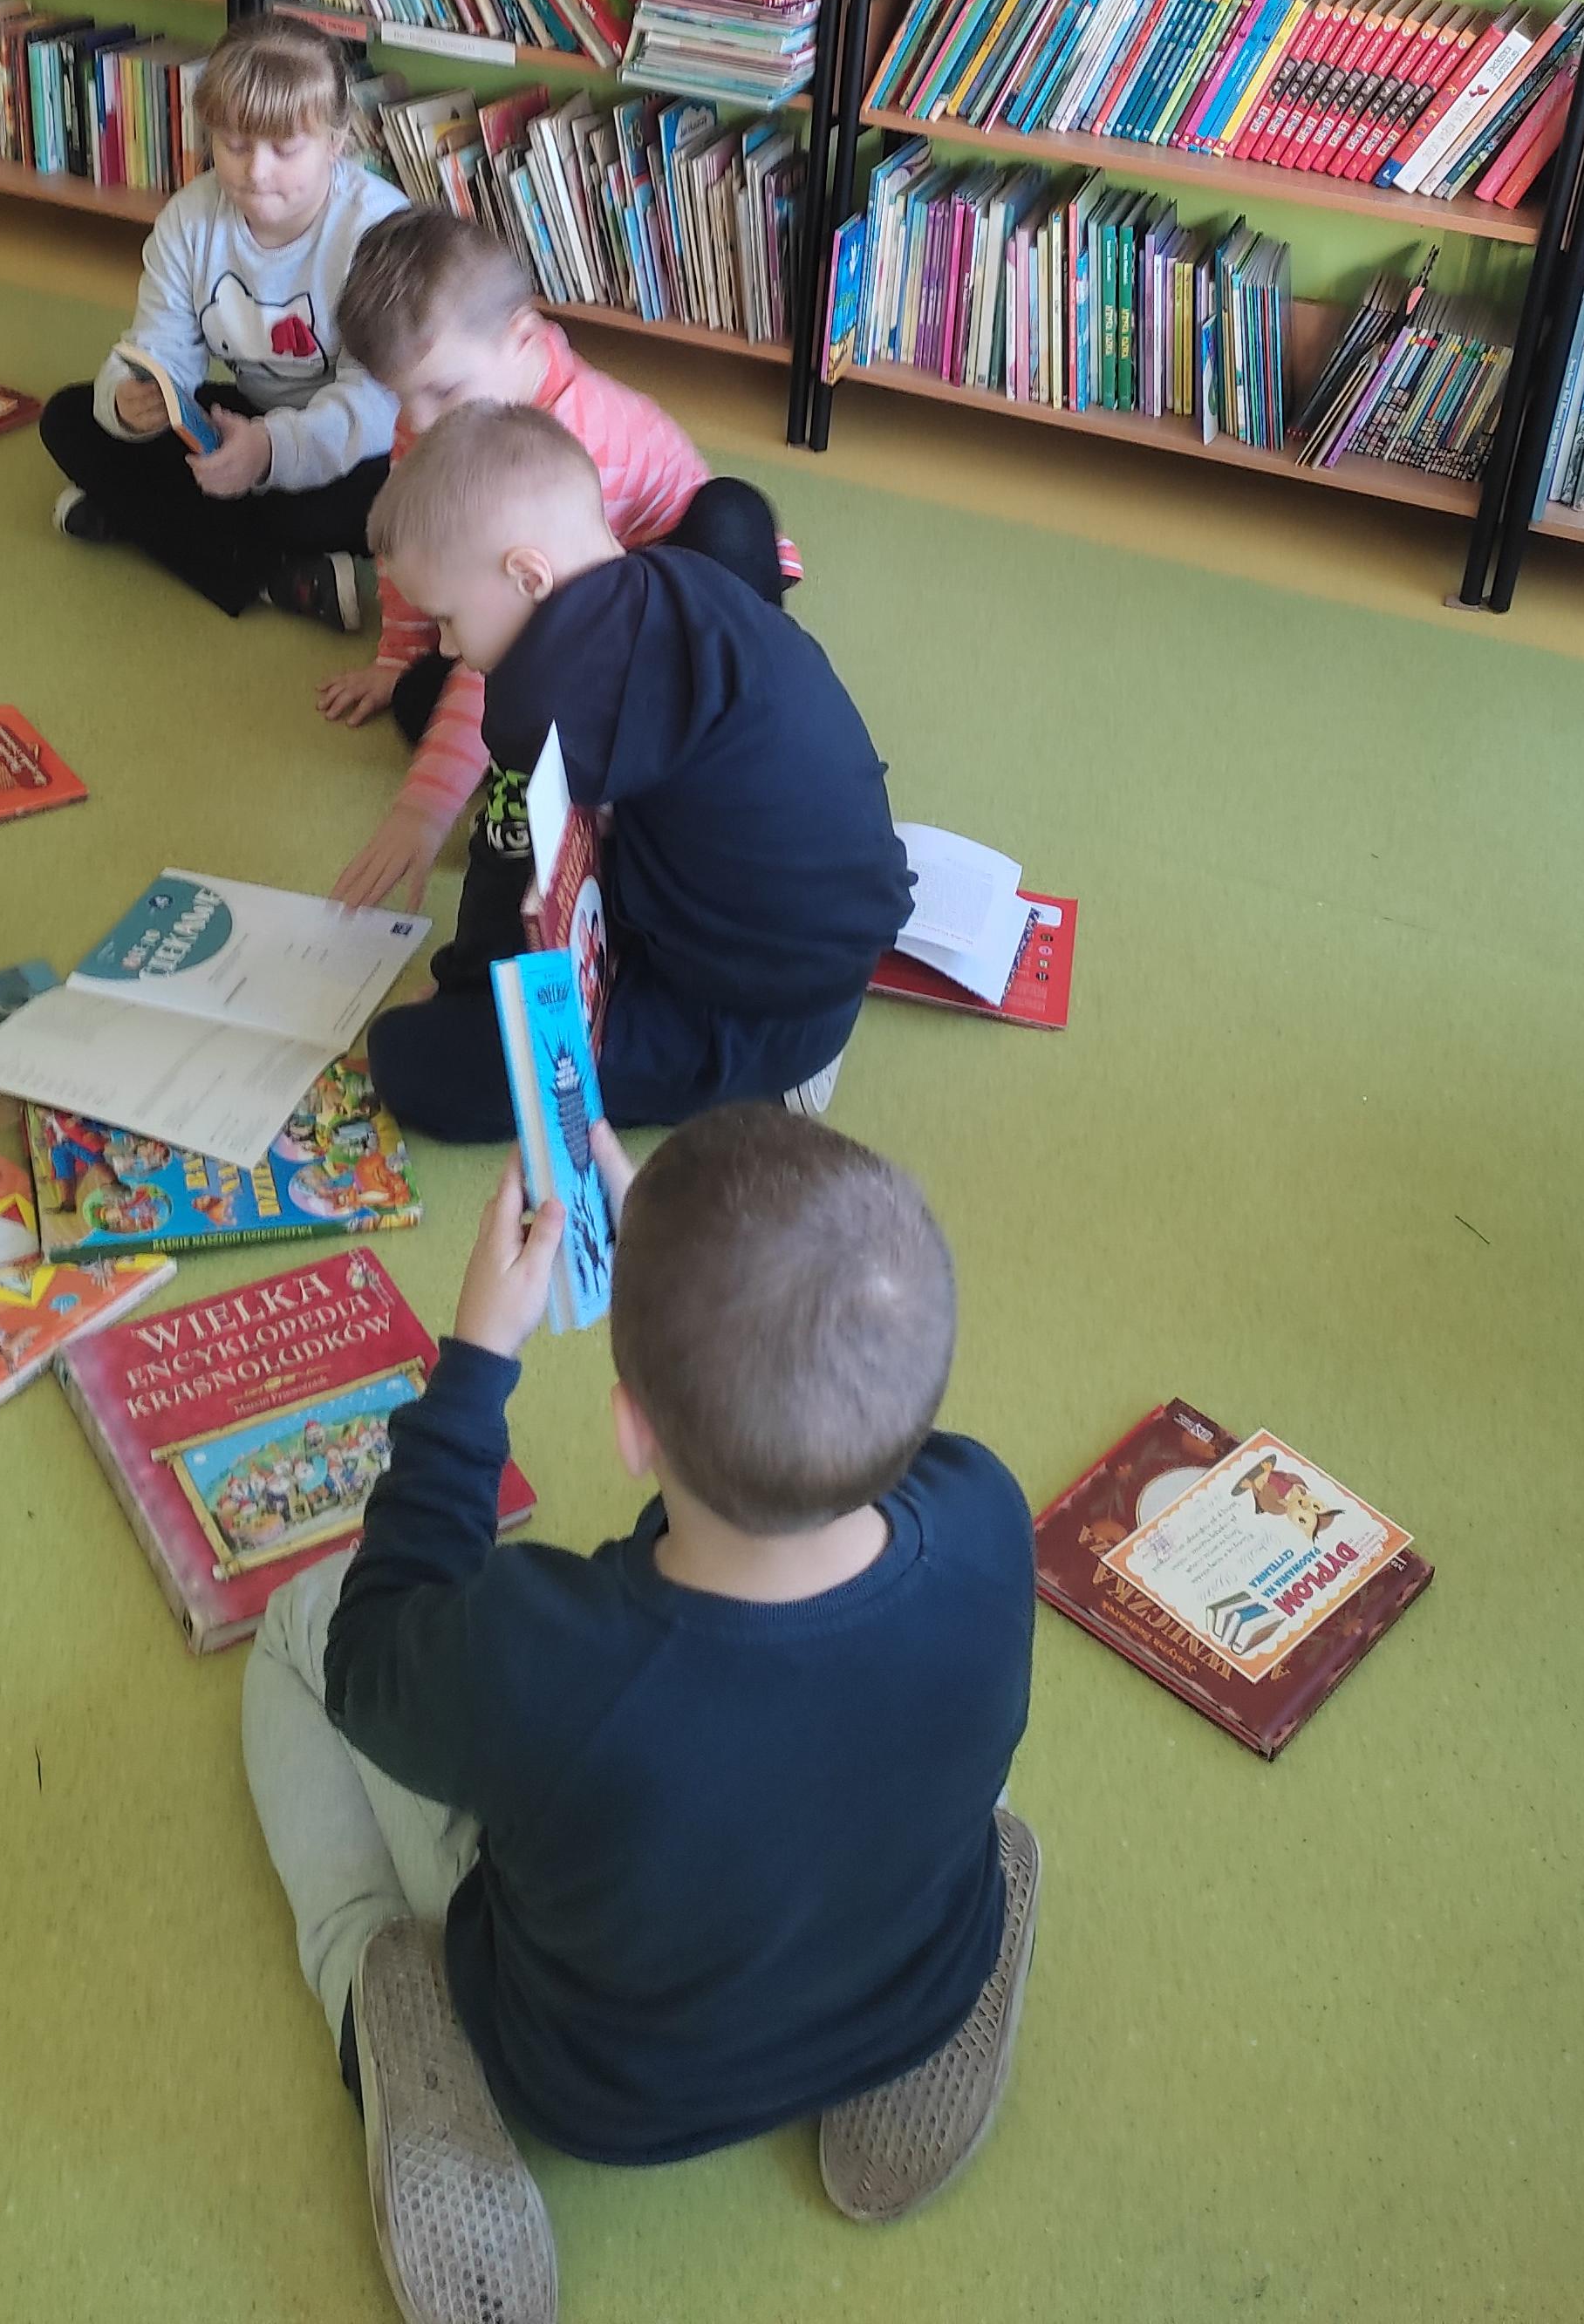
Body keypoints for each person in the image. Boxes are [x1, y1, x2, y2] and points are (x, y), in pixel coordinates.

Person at [242, 1107, 1039, 2324]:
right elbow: (831, 1409)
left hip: (596, 2088)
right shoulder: (985, 1511)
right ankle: (918, 2004)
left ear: (628, 1429)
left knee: (297, 1632)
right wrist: (694, 1258)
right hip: (908, 1968)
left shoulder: (539, 1653)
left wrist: (476, 1364)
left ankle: (371, 1979)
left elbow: (371, 1651)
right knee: (936, 1731)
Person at [360, 402, 913, 1142]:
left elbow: (508, 859)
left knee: (411, 1060)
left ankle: (765, 1082)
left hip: (760, 1016)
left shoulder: (543, 699)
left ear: (527, 574)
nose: (450, 650)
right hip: (815, 934)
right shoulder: (672, 575)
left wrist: (467, 985)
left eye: (449, 619)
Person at [322, 208, 795, 919]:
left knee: (732, 516)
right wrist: (399, 655)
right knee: (425, 699)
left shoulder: (574, 437)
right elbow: (421, 561)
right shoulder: (436, 429)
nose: (417, 422)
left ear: (522, 338)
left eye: (443, 391)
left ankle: (692, 748)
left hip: (670, 595)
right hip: (569, 610)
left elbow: (518, 638)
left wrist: (423, 807)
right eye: (399, 396)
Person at [39, 15, 404, 622]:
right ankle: (276, 574)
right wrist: (130, 403)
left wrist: (269, 452)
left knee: (380, 507)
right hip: (255, 419)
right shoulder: (189, 220)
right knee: (70, 418)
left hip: (355, 446)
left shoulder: (378, 231)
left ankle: (150, 522)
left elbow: (375, 403)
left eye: (285, 149)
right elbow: (158, 348)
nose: (255, 171)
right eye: (234, 145)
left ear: (336, 141)